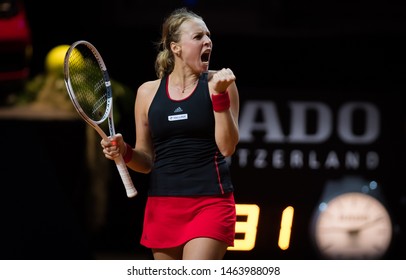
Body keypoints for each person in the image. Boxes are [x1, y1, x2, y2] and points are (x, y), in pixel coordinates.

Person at [100, 7, 239, 260]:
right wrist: (125, 151)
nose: (208, 41)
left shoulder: (219, 85)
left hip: (210, 204)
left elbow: (227, 147)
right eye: (198, 37)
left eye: (208, 35)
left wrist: (219, 97)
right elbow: (146, 161)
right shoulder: (147, 93)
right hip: (162, 208)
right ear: (176, 48)